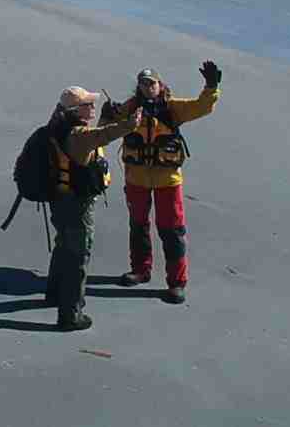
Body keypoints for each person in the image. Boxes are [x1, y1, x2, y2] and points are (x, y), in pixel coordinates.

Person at [118, 61, 222, 304]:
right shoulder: (131, 108)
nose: (147, 88)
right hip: (136, 178)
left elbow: (202, 107)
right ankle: (141, 271)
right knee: (138, 225)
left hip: (168, 180)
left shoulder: (173, 108)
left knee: (172, 230)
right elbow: (108, 126)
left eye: (151, 83)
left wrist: (211, 86)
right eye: (143, 84)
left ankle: (177, 283)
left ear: (159, 84)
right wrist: (107, 113)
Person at [40, 89, 138, 333]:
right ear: (76, 110)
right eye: (88, 104)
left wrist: (107, 119)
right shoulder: (78, 135)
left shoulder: (57, 127)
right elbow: (102, 136)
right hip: (77, 204)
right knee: (78, 256)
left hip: (59, 200)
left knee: (63, 244)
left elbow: (97, 137)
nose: (93, 108)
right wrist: (130, 124)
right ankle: (70, 315)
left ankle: (53, 294)